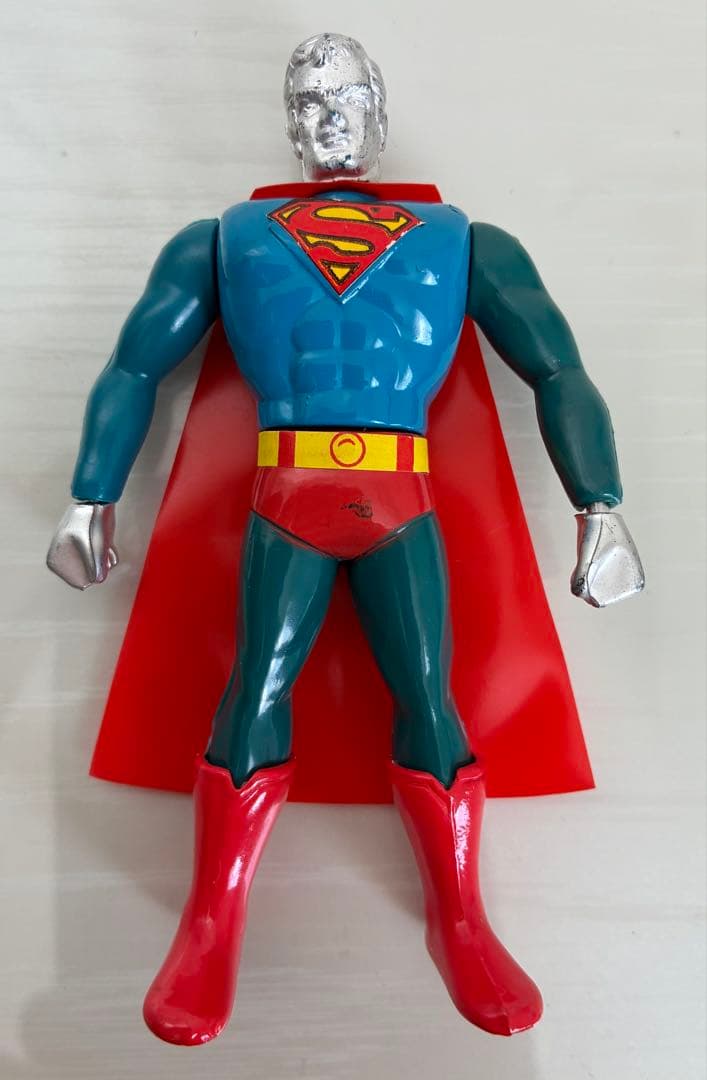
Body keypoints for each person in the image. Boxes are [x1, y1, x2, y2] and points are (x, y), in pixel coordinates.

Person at [47, 32, 644, 1045]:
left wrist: (600, 504)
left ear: (379, 110)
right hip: (285, 492)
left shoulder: (463, 242)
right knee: (252, 690)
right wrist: (89, 495)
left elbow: (558, 370)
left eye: (345, 98)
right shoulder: (224, 239)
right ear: (287, 124)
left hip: (398, 498)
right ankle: (209, 923)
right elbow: (134, 366)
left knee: (429, 694)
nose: (326, 119)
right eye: (305, 103)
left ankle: (460, 920)